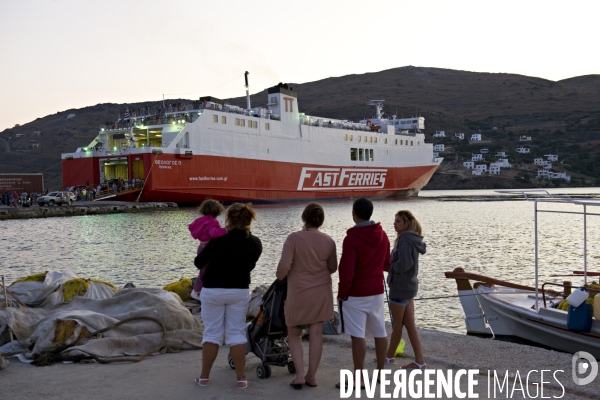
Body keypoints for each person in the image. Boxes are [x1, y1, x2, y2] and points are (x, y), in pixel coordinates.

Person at [193, 203, 262, 389]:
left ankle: (204, 378)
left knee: (212, 334)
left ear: (229, 219)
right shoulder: (255, 243)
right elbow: (250, 266)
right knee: (237, 334)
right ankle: (241, 379)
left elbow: (199, 263)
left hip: (213, 290)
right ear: (249, 220)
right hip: (239, 291)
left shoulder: (217, 240)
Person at [276, 202, 337, 389]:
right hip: (321, 293)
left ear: (304, 218)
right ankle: (312, 375)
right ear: (321, 220)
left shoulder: (294, 239)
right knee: (316, 333)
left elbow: (283, 269)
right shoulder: (329, 241)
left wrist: (280, 277)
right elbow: (333, 268)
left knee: (294, 332)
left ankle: (300, 375)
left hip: (299, 293)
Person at [336, 197, 390, 389]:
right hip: (376, 291)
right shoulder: (382, 234)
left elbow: (346, 271)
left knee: (357, 335)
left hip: (356, 293)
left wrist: (342, 293)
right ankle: (381, 373)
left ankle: (359, 378)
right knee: (380, 331)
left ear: (353, 214)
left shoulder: (351, 239)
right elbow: (387, 263)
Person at [383, 210, 427, 370]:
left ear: (406, 223)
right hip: (409, 286)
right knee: (409, 324)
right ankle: (419, 361)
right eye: (395, 220)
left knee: (398, 326)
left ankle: (388, 357)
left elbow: (404, 264)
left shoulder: (405, 240)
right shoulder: (412, 239)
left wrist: (389, 266)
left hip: (400, 288)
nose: (394, 224)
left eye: (398, 221)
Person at [189, 199, 228, 300]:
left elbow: (192, 229)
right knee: (206, 271)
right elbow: (214, 233)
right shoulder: (212, 221)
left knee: (203, 270)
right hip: (208, 249)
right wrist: (226, 229)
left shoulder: (200, 220)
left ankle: (199, 290)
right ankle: (197, 291)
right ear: (217, 211)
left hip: (201, 247)